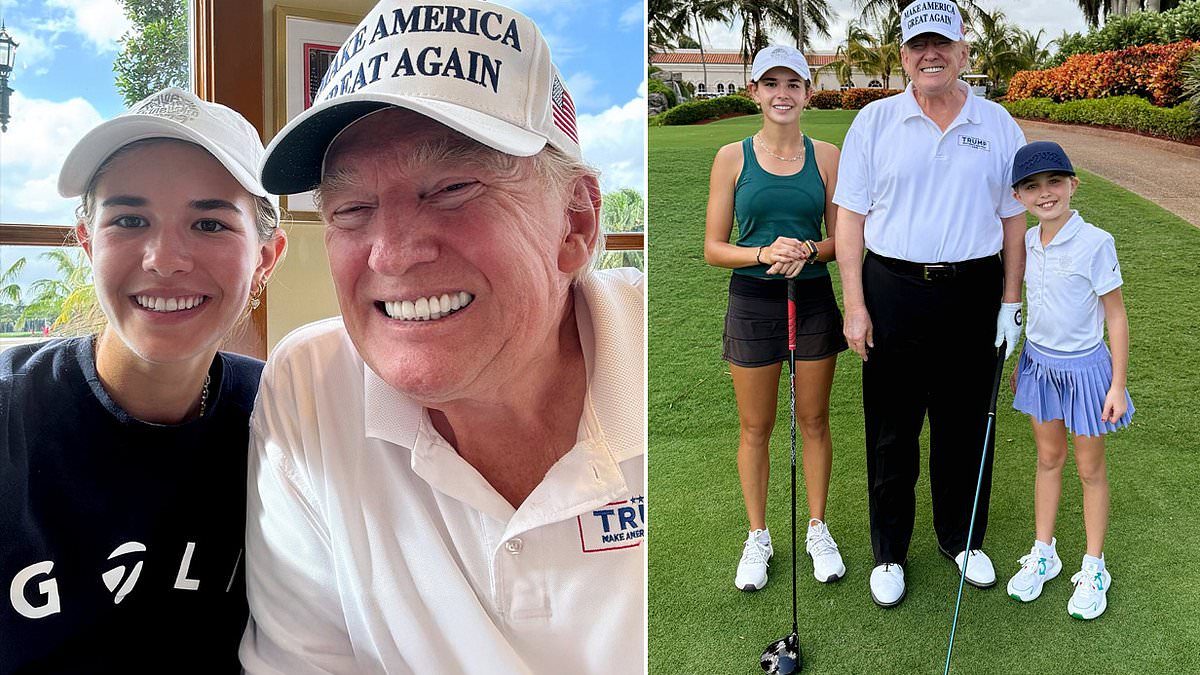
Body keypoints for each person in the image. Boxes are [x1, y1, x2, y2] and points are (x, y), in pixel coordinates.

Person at [238, 1, 644, 673]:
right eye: (352, 209)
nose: (391, 254)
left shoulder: (652, 347)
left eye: (451, 188)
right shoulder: (310, 387)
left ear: (574, 222)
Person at [0, 87, 286, 672]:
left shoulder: (285, 416)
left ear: (265, 257)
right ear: (87, 241)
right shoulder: (11, 415)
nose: (164, 257)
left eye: (209, 223)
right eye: (130, 219)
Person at [833, 1, 1027, 607]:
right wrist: (855, 305)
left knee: (965, 426)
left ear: (964, 50)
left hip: (974, 291)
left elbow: (1015, 221)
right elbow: (851, 221)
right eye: (918, 45)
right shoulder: (874, 122)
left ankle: (961, 538)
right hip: (892, 288)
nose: (930, 54)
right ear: (903, 57)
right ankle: (890, 551)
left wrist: (1010, 301)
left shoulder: (998, 125)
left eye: (942, 42)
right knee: (891, 430)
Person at [703, 45, 846, 592]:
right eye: (771, 84)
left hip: (810, 298)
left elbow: (841, 239)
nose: (782, 94)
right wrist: (765, 253)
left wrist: (808, 250)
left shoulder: (827, 155)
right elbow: (715, 248)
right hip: (753, 300)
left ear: (808, 93)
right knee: (756, 426)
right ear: (754, 92)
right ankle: (758, 535)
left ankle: (817, 527)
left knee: (813, 419)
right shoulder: (731, 157)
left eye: (793, 83)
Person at [1003, 141, 1132, 620]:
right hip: (1040, 364)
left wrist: (1116, 384)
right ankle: (1044, 552)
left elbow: (1115, 316)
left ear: (1073, 184)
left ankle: (1095, 564)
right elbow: (1036, 311)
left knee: (1090, 468)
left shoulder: (1096, 242)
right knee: (1049, 458)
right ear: (1019, 196)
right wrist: (1023, 361)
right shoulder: (1027, 243)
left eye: (1054, 182)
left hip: (1086, 372)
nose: (1045, 193)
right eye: (1032, 187)